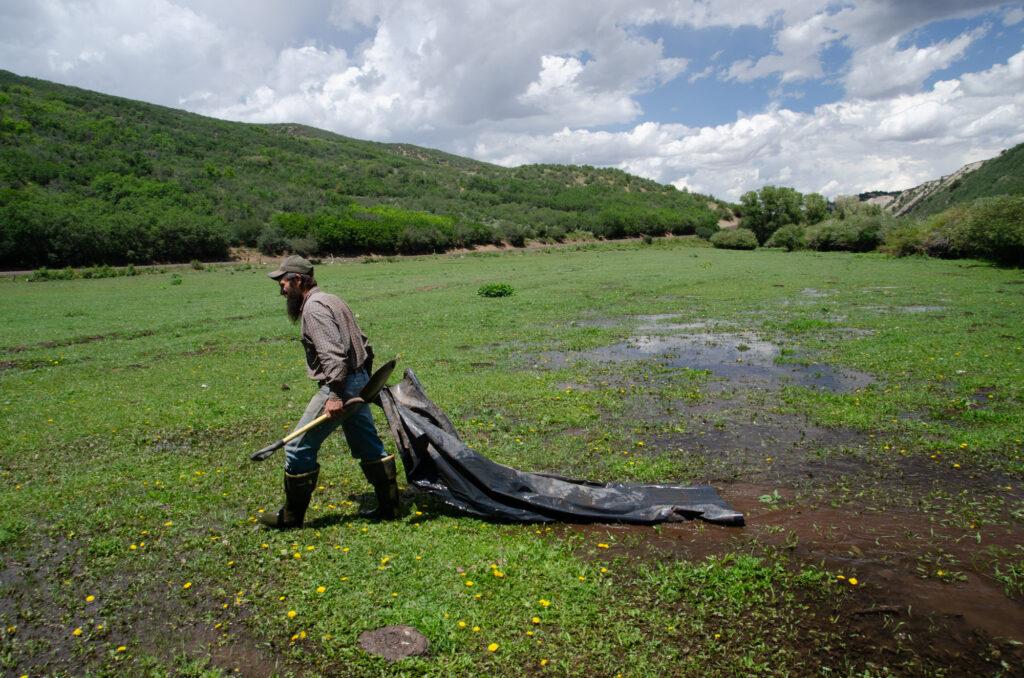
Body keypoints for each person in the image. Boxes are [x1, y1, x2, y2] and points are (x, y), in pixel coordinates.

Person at [260, 255, 400, 529]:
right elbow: (364, 343)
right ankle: (390, 507)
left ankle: (290, 518)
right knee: (367, 443)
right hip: (357, 381)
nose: (281, 289)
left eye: (283, 282)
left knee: (297, 447)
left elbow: (333, 356)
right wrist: (364, 381)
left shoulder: (313, 309)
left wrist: (336, 396)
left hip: (341, 384)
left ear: (298, 280)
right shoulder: (333, 299)